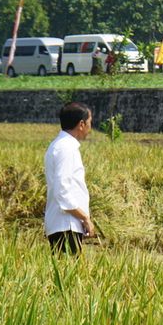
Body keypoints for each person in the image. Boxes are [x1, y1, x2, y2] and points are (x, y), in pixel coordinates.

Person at [44, 103, 95, 255]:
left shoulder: (59, 146)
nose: (90, 128)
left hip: (64, 224)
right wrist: (85, 217)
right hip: (66, 224)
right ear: (81, 124)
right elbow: (62, 191)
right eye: (90, 122)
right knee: (69, 274)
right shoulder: (66, 149)